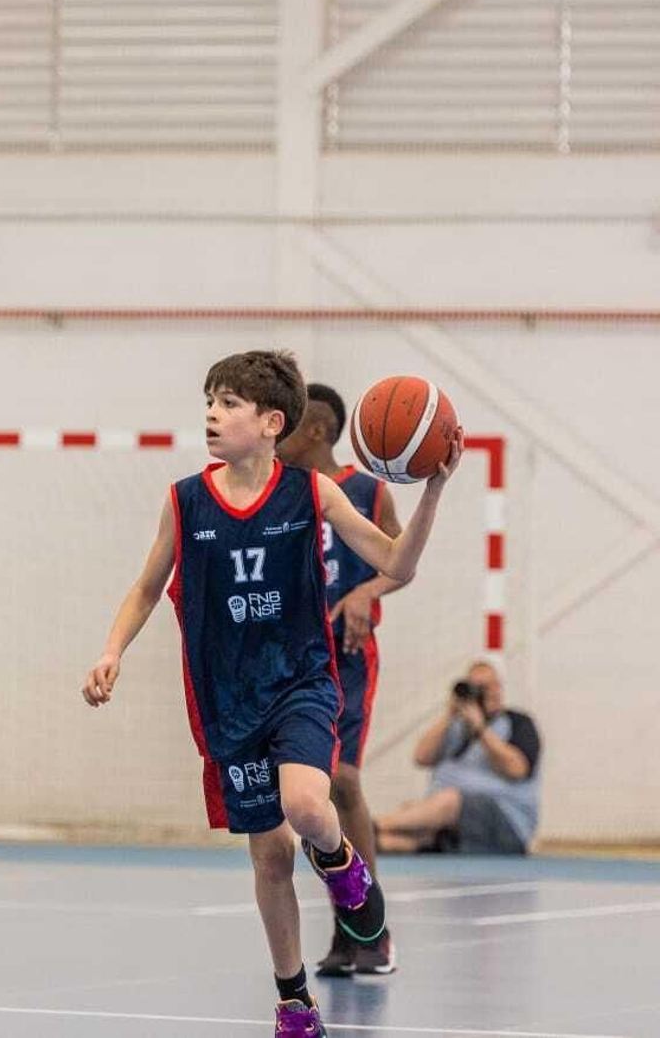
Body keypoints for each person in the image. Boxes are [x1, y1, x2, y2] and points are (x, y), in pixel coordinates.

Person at [82, 350, 463, 1036]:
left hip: (301, 681)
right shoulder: (185, 499)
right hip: (229, 699)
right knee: (269, 855)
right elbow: (145, 587)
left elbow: (397, 561)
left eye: (228, 402)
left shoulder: (310, 493)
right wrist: (112, 649)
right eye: (210, 399)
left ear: (270, 422)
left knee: (306, 802)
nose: (212, 413)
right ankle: (294, 1000)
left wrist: (433, 490)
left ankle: (345, 866)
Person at [276, 383, 406, 977]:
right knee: (308, 801)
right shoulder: (278, 493)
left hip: (348, 659)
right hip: (295, 661)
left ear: (320, 431)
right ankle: (349, 926)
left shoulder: (365, 490)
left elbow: (400, 561)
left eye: (289, 427)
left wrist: (364, 590)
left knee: (343, 780)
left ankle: (372, 930)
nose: (275, 437)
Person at [376, 658, 541, 856]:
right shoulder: (457, 726)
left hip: (505, 821)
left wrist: (481, 729)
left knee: (448, 801)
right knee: (408, 821)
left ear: (498, 689)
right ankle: (360, 844)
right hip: (452, 821)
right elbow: (421, 757)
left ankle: (372, 825)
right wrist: (449, 714)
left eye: (485, 687)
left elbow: (517, 769)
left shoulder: (519, 723)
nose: (480, 693)